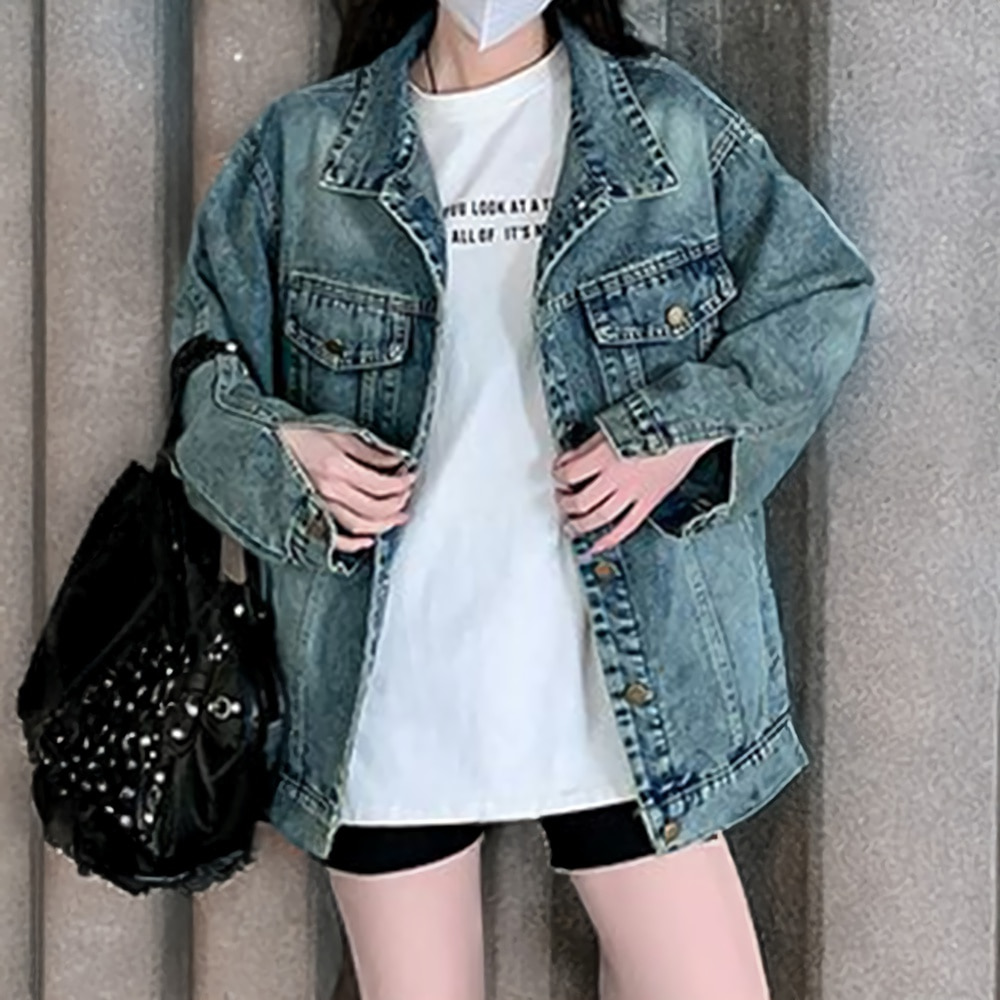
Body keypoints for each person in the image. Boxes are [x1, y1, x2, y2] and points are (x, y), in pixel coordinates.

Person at [167, 1, 876, 997]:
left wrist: (673, 435)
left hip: (628, 689)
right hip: (383, 688)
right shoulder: (303, 147)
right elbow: (203, 384)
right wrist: (285, 452)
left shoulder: (666, 126)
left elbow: (821, 296)